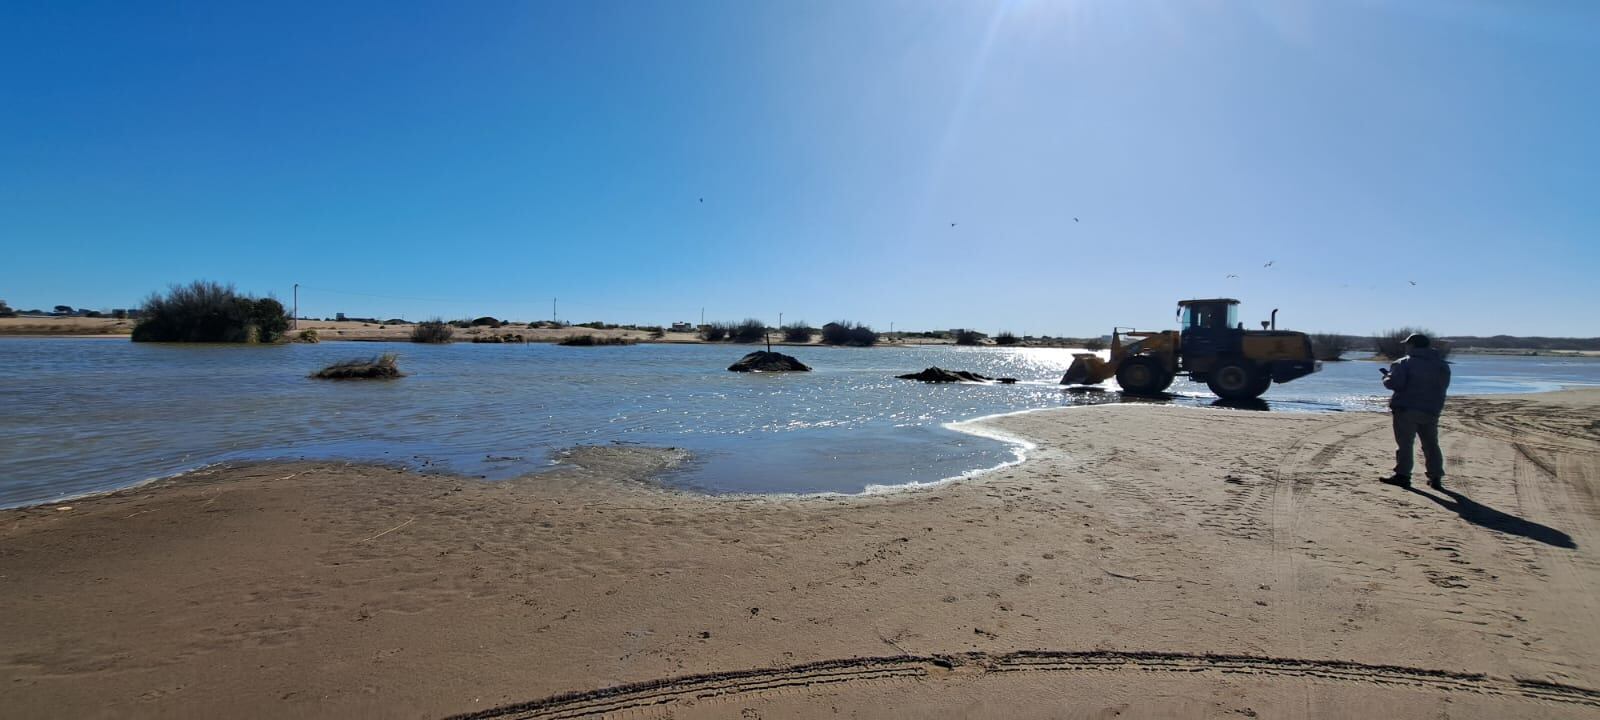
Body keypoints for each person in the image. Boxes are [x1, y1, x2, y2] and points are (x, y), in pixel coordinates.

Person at [1380, 333, 1451, 488]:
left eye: (1407, 344)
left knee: (1405, 444)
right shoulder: (1441, 365)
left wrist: (1387, 378)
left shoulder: (1403, 363)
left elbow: (1396, 384)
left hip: (1406, 408)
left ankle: (1403, 475)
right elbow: (1443, 386)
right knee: (1431, 444)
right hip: (1432, 409)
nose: (1406, 347)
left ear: (1412, 346)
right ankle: (1436, 477)